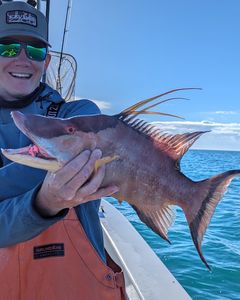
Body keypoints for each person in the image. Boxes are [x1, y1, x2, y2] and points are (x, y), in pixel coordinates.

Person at [0, 1, 126, 299]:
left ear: (46, 62)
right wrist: (43, 200)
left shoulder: (79, 116)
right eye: (7, 48)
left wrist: (42, 201)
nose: (21, 59)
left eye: (34, 51)